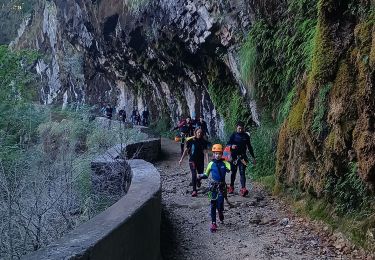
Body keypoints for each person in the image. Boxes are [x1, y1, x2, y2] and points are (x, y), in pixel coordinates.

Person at [198, 144, 231, 232]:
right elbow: (206, 175)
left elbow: (229, 169)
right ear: (213, 154)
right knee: (213, 204)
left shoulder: (225, 163)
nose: (217, 155)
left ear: (221, 154)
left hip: (222, 187)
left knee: (220, 204)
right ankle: (213, 223)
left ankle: (220, 212)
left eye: (219, 153)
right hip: (213, 186)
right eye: (216, 153)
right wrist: (200, 176)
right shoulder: (211, 164)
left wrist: (229, 160)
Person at [226, 121, 256, 197]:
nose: (240, 130)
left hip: (242, 157)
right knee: (233, 172)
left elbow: (250, 147)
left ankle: (243, 188)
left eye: (242, 128)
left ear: (244, 128)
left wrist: (253, 157)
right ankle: (231, 186)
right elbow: (227, 144)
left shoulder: (246, 136)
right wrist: (231, 146)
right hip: (234, 157)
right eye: (239, 128)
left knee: (242, 172)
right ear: (236, 128)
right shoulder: (233, 135)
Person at [179, 128, 210, 197]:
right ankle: (194, 190)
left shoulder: (203, 141)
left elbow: (206, 152)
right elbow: (186, 150)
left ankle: (198, 180)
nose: (199, 134)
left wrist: (208, 162)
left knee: (200, 174)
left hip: (200, 161)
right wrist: (181, 159)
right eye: (198, 132)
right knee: (194, 173)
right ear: (195, 133)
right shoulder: (191, 141)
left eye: (200, 133)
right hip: (192, 160)